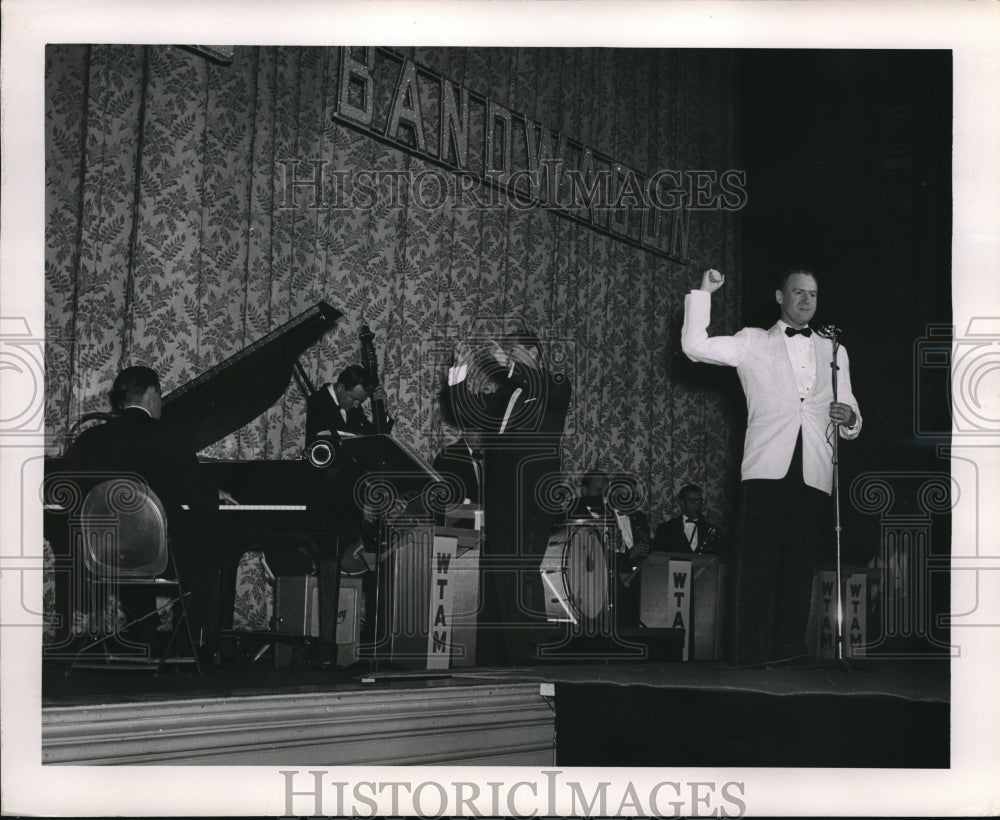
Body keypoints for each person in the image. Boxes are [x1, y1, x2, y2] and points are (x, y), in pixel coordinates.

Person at [681, 267, 861, 665]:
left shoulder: (835, 350)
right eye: (798, 292)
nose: (806, 300)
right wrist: (704, 292)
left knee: (798, 569)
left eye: (812, 294)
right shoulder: (752, 342)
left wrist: (848, 418)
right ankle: (746, 656)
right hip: (765, 468)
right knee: (754, 567)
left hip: (814, 469)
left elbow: (852, 414)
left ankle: (790, 653)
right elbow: (695, 346)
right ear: (780, 297)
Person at [64, 365, 233, 645]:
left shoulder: (90, 440)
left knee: (129, 543)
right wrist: (214, 495)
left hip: (101, 551)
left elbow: (74, 494)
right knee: (207, 555)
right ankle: (185, 641)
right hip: (161, 553)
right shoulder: (171, 435)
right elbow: (198, 496)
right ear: (153, 394)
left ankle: (144, 631)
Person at [446, 329, 572, 664]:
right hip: (500, 495)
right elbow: (465, 414)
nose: (509, 362)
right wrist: (458, 372)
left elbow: (539, 384)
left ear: (535, 354)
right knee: (501, 573)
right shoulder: (504, 395)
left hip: (532, 495)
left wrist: (513, 365)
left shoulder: (554, 385)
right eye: (508, 356)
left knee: (522, 571)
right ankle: (507, 657)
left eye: (516, 355)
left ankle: (532, 656)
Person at [305, 364, 393, 442]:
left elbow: (372, 439)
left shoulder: (353, 405)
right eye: (354, 399)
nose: (357, 405)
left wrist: (382, 409)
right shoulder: (314, 403)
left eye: (361, 401)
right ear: (340, 388)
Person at [652, 484, 726, 555]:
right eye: (692, 501)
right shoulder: (665, 529)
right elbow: (656, 557)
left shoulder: (714, 531)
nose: (697, 504)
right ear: (682, 503)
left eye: (699, 501)